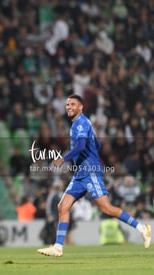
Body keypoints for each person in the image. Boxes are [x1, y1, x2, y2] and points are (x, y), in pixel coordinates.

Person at [37, 94, 151, 257]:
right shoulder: (82, 122)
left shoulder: (81, 123)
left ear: (80, 107)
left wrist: (64, 158)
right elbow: (96, 144)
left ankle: (142, 228)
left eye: (73, 104)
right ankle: (58, 247)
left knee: (106, 208)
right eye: (68, 104)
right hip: (80, 173)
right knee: (63, 206)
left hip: (90, 172)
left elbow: (83, 145)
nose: (69, 107)